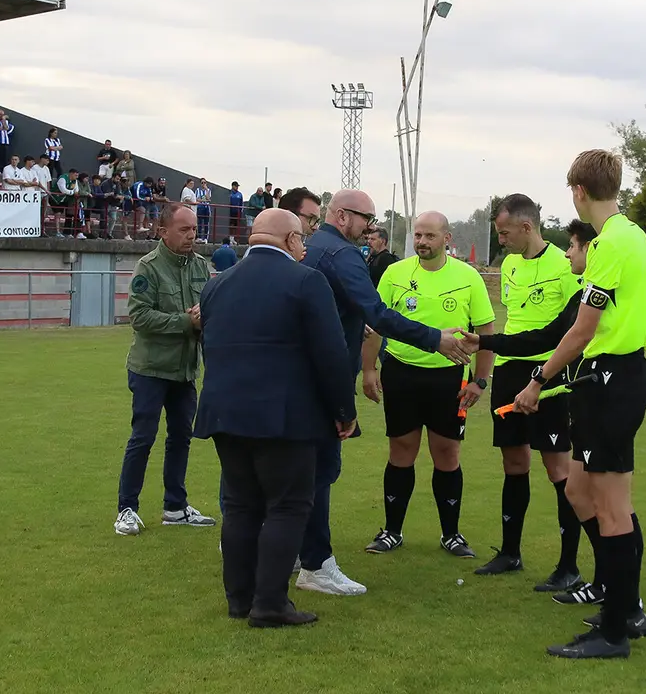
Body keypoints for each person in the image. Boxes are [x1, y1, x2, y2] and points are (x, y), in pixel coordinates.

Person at [506, 150, 646, 660]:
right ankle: (624, 602)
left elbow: (583, 328)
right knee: (576, 488)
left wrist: (537, 381)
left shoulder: (612, 243)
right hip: (603, 379)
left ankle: (616, 628)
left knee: (613, 508)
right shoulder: (631, 236)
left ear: (578, 191)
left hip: (615, 378)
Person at [296, 189, 470, 597]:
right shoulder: (341, 255)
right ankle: (316, 563)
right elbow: (376, 313)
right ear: (340, 215)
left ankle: (293, 548)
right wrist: (434, 339)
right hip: (324, 379)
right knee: (320, 471)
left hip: (298, 375)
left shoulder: (313, 247)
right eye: (366, 219)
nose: (370, 228)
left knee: (295, 468)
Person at [195, 208, 357, 627]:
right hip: (285, 417)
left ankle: (239, 600)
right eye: (302, 239)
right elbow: (332, 354)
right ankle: (269, 603)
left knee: (241, 507)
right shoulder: (306, 281)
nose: (304, 247)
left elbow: (210, 349)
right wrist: (344, 412)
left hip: (225, 413)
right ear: (289, 241)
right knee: (287, 507)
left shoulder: (217, 286)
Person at [463, 220, 617, 599]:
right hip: (511, 371)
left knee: (559, 470)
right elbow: (528, 328)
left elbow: (562, 333)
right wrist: (486, 343)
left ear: (525, 226)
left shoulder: (568, 270)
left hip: (549, 374)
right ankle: (511, 553)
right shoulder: (511, 266)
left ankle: (569, 566)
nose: (500, 240)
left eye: (503, 232)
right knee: (514, 463)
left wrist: (541, 377)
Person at [361, 212, 494, 559]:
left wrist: (480, 380)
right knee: (401, 452)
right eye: (418, 235)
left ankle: (451, 534)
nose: (422, 242)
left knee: (447, 455)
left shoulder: (467, 277)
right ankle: (392, 531)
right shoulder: (395, 272)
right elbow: (375, 324)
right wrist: (369, 369)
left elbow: (486, 332)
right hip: (402, 374)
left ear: (447, 238)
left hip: (449, 378)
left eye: (430, 236)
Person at [114, 204, 216, 536]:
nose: (192, 235)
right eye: (184, 229)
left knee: (181, 438)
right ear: (163, 232)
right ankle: (126, 509)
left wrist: (205, 320)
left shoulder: (201, 267)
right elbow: (139, 317)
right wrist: (187, 321)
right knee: (142, 438)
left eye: (195, 228)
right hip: (150, 369)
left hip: (184, 369)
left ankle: (175, 507)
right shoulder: (148, 267)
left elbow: (211, 313)